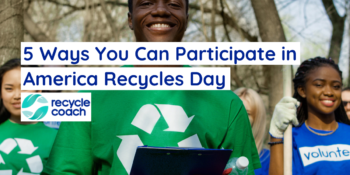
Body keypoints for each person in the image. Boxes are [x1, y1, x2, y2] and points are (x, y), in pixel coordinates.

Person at [43, 0, 261, 174]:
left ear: (187, 17)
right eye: (146, 3)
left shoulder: (226, 103)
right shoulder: (92, 97)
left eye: (174, 4)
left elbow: (240, 168)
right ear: (130, 19)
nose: (160, 10)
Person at [269, 57, 350, 175]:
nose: (329, 92)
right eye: (319, 84)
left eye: (336, 86)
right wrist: (276, 136)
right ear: (302, 90)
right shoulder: (291, 137)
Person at [0, 58, 57, 175]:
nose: (17, 95)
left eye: (24, 87)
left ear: (38, 90)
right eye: (9, 89)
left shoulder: (57, 139)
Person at [234, 87, 269, 175]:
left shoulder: (268, 160)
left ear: (257, 119)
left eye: (247, 113)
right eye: (235, 111)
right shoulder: (216, 153)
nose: (240, 117)